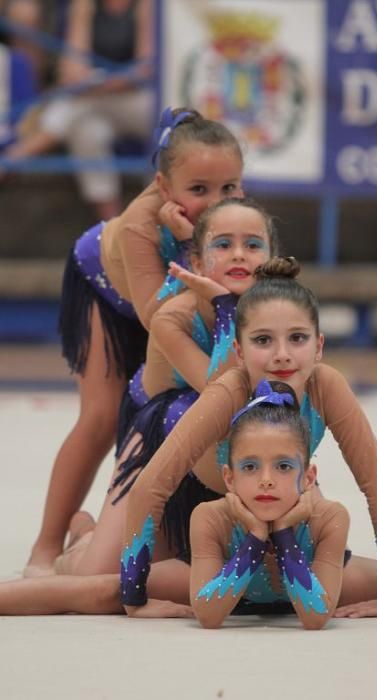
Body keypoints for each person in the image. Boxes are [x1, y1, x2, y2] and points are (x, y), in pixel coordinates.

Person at [120, 256, 377, 618]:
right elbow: (151, 486)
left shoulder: (325, 386)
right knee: (94, 586)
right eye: (263, 340)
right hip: (223, 534)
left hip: (294, 533)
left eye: (297, 338)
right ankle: (82, 540)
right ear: (239, 351)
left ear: (319, 345)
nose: (282, 355)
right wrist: (134, 598)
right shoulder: (228, 392)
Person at [25, 106, 244, 577]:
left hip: (174, 301)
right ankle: (45, 545)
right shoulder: (140, 225)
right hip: (108, 288)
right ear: (166, 189)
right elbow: (157, 319)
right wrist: (191, 247)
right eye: (199, 190)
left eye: (229, 188)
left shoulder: (235, 217)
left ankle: (100, 533)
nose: (216, 201)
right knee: (102, 416)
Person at [48, 196, 276, 578]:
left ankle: (101, 533)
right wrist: (223, 307)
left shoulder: (282, 312)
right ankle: (85, 538)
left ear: (271, 258)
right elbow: (221, 391)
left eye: (253, 245)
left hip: (225, 446)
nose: (239, 255)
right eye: (224, 245)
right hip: (156, 439)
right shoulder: (175, 315)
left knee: (201, 569)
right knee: (100, 577)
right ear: (198, 263)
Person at [190, 382, 350, 630]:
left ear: (308, 478)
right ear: (229, 478)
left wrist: (283, 531)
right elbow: (208, 617)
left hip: (317, 582)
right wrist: (255, 536)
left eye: (283, 466)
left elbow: (316, 617)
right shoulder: (211, 517)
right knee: (112, 592)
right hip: (231, 592)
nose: (266, 480)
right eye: (250, 467)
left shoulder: (329, 518)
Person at [1, 0, 154, 220]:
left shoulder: (147, 5)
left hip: (138, 100)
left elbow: (145, 69)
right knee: (86, 131)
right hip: (92, 102)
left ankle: (13, 158)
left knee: (74, 107)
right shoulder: (84, 5)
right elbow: (71, 70)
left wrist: (98, 84)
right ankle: (112, 229)